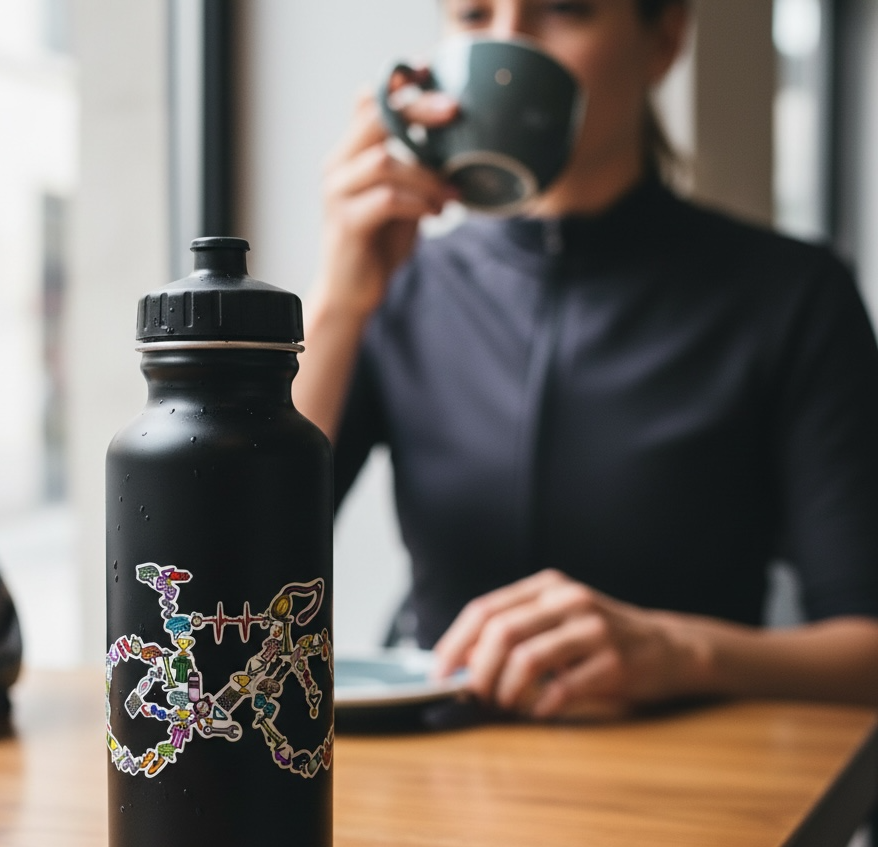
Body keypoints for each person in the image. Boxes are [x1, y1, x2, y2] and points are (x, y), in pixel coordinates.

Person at [294, 0, 878, 728]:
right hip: (432, 756)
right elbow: (232, 568)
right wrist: (336, 304)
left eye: (562, 9)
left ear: (664, 40)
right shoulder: (397, 290)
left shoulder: (794, 297)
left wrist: (680, 653)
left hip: (682, 772)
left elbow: (866, 649)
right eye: (473, 15)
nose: (509, 42)